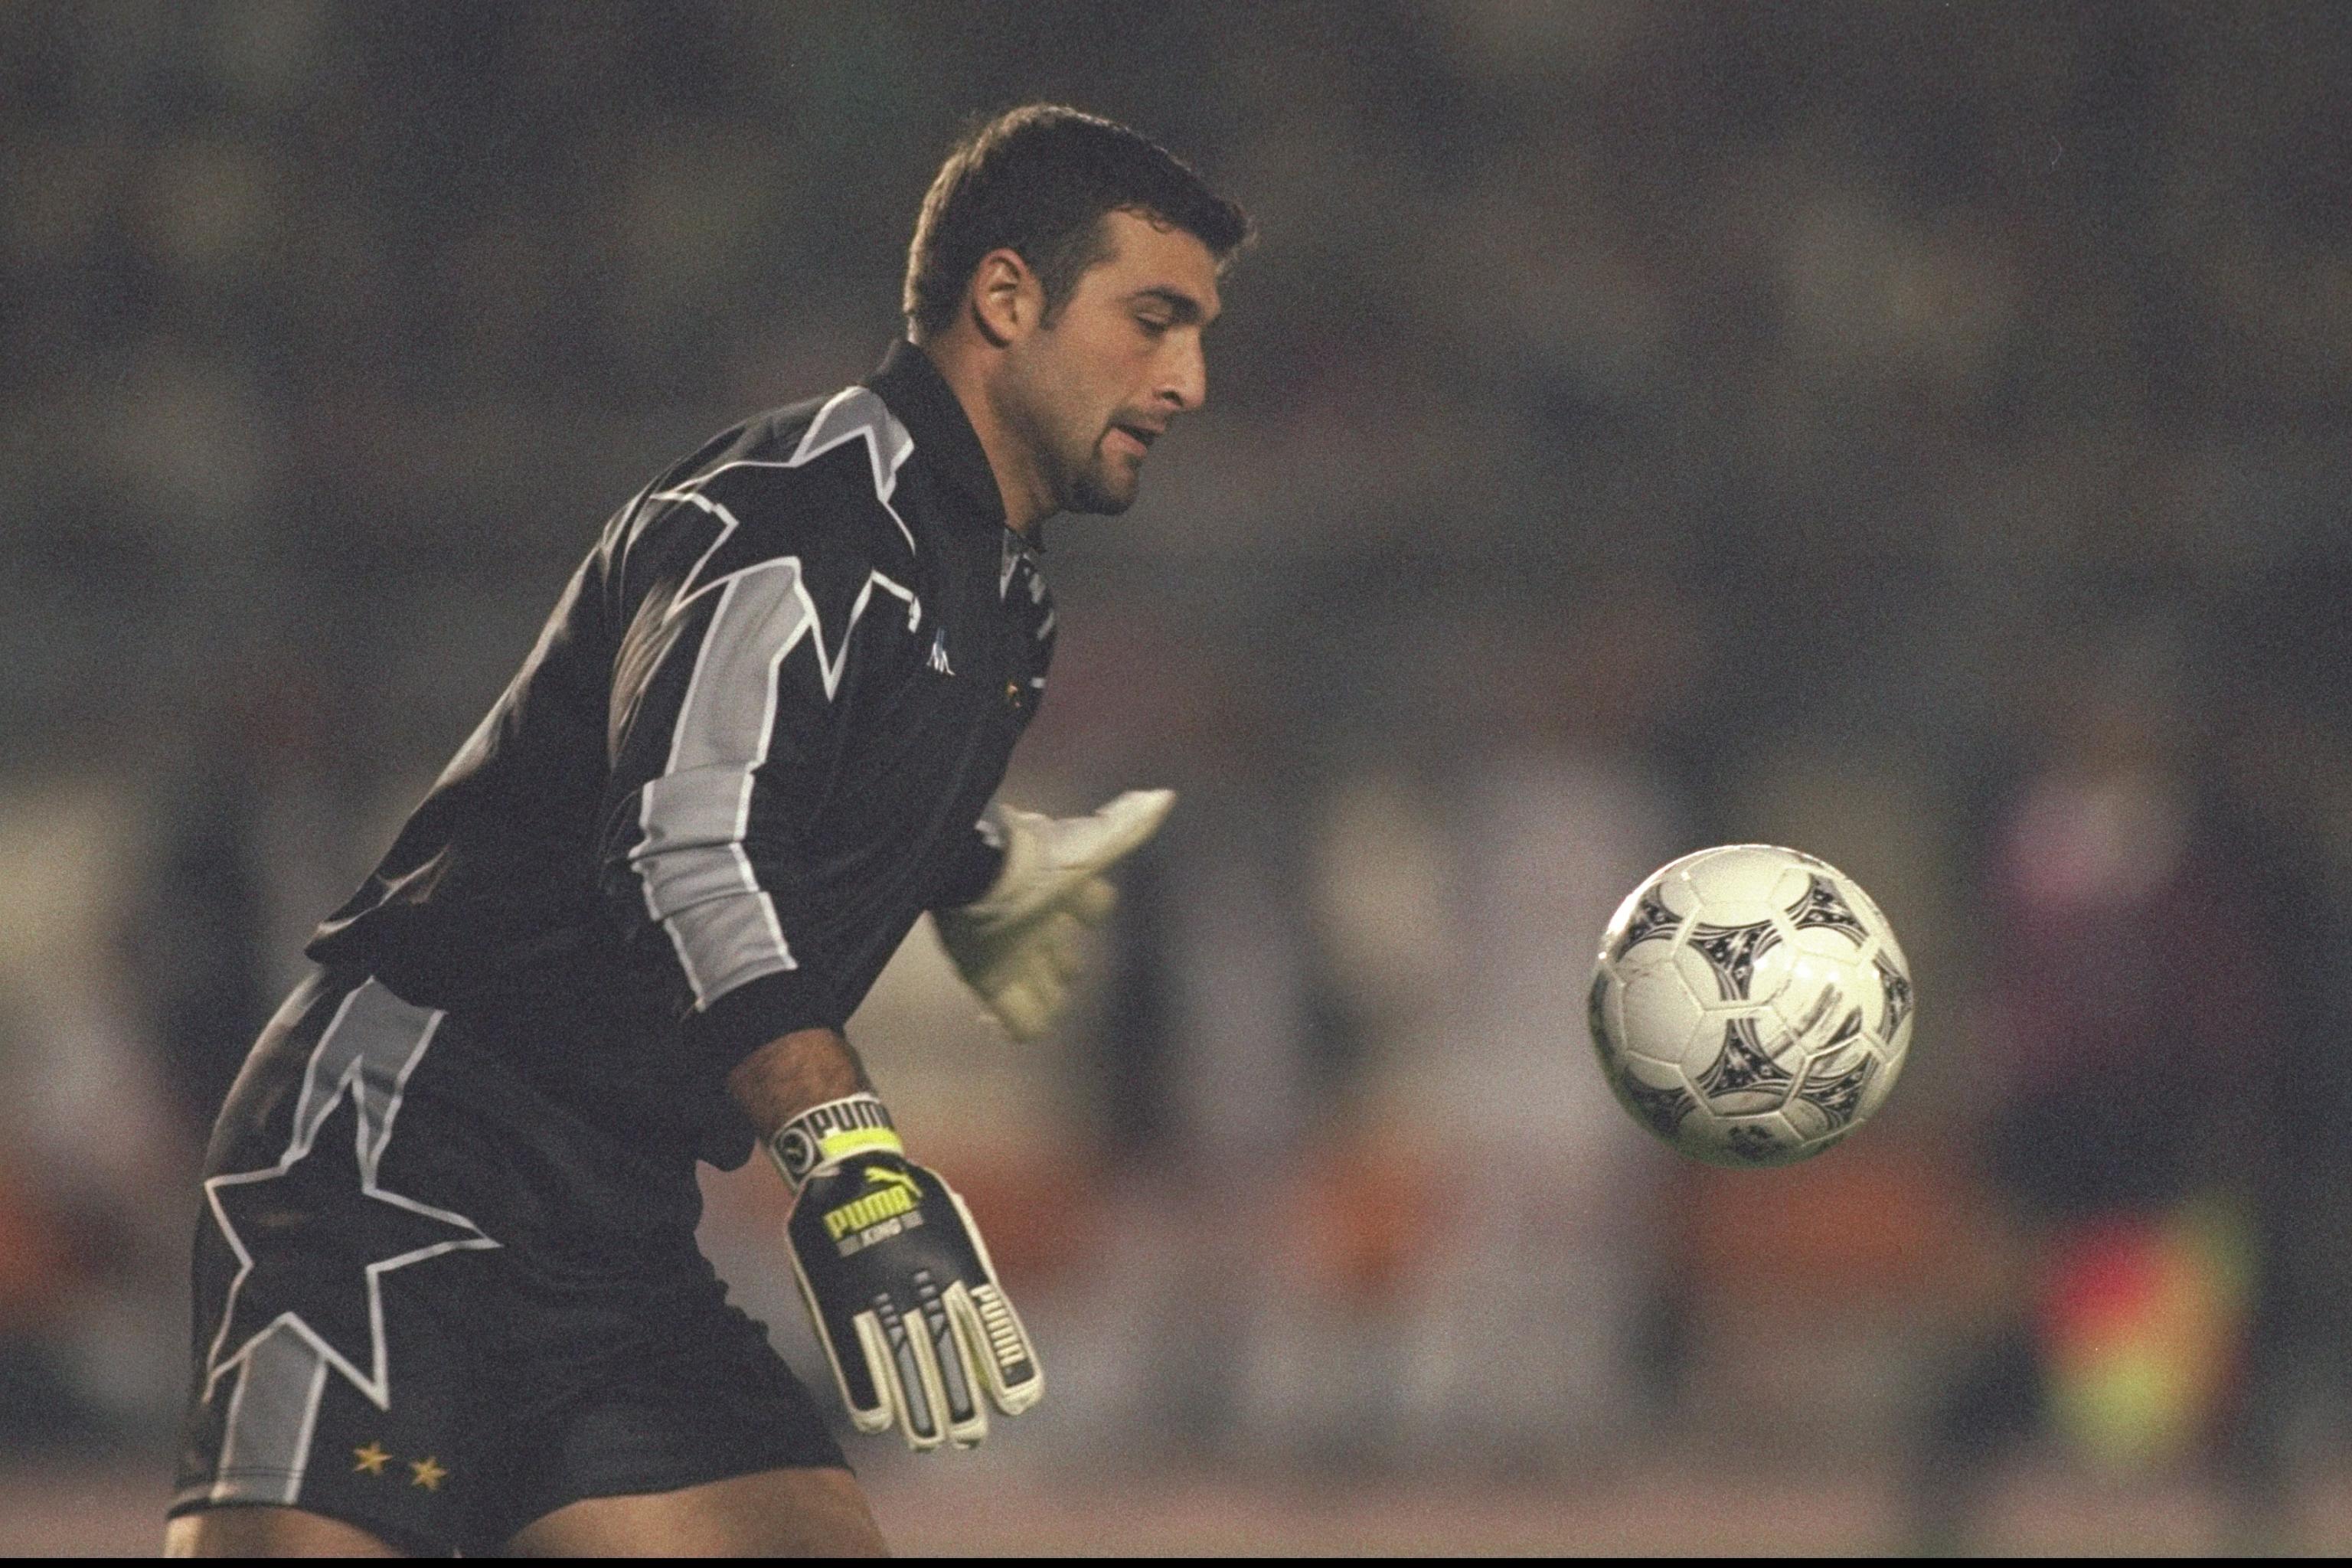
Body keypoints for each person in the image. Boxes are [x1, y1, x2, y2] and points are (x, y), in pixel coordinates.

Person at [163, 105, 1250, 1557]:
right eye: (1155, 320)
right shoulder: (790, 524)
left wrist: (993, 867)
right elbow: (686, 848)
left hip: (612, 1225)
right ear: (1007, 299)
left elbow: (819, 787)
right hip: (403, 1154)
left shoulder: (1002, 596)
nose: (1189, 379)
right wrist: (853, 1161)